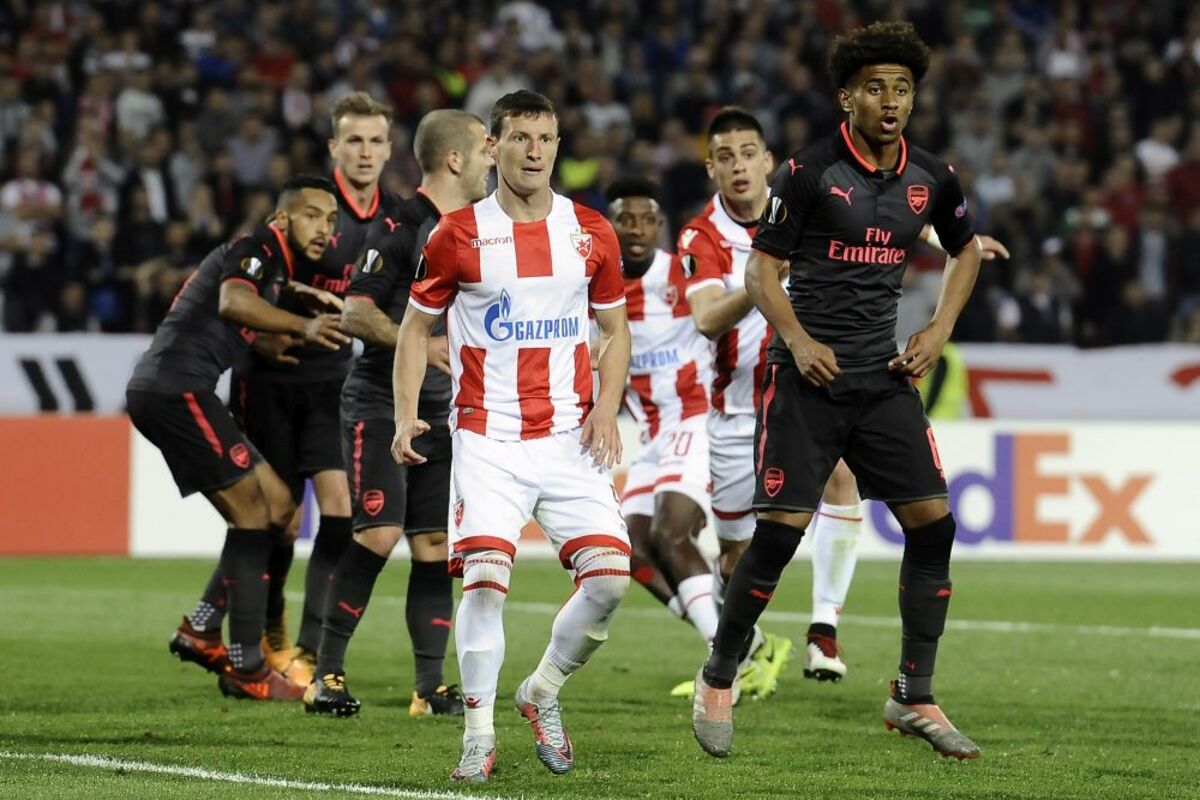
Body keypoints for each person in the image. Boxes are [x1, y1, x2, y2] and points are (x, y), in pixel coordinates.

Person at [692, 21, 982, 761]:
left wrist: (939, 328)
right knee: (778, 537)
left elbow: (967, 250)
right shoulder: (809, 172)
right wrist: (796, 338)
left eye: (903, 88)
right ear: (848, 97)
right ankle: (718, 675)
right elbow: (761, 271)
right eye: (876, 88)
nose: (891, 101)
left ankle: (913, 694)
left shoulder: (933, 177)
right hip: (807, 380)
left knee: (934, 526)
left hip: (883, 380)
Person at [391, 90, 631, 783]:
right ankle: (478, 735)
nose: (535, 151)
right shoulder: (456, 234)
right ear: (493, 148)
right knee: (486, 585)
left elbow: (615, 329)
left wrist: (606, 407)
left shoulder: (591, 231)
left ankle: (541, 689)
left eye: (546, 138)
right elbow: (414, 329)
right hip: (488, 437)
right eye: (521, 138)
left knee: (610, 583)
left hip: (569, 437)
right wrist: (406, 414)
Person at [303, 109, 493, 718]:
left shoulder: (479, 228)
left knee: (435, 543)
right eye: (485, 150)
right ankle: (324, 674)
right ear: (455, 159)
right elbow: (356, 312)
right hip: (380, 403)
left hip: (444, 410)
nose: (493, 161)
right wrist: (421, 345)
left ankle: (428, 688)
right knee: (380, 533)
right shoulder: (401, 226)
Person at [128, 175, 348, 700]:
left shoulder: (274, 267)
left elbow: (239, 307)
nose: (324, 228)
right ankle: (248, 668)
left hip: (177, 390)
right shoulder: (258, 248)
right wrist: (301, 326)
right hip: (177, 389)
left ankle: (204, 627)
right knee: (252, 514)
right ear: (282, 219)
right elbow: (232, 301)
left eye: (331, 219)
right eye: (312, 215)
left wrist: (270, 332)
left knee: (279, 507)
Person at [228, 93, 398, 687]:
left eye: (375, 141)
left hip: (334, 384)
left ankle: (308, 646)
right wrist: (257, 337)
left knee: (341, 510)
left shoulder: (394, 221)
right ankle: (265, 632)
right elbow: (247, 283)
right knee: (276, 519)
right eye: (354, 141)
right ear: (334, 147)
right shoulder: (306, 207)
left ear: (390, 149)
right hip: (270, 383)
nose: (365, 152)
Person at [603, 177, 720, 691]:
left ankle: (724, 660)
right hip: (649, 436)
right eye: (625, 220)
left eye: (646, 220)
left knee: (670, 534)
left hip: (696, 419)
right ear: (609, 226)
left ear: (659, 226)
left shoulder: (685, 274)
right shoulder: (597, 289)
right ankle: (741, 640)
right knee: (631, 549)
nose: (636, 229)